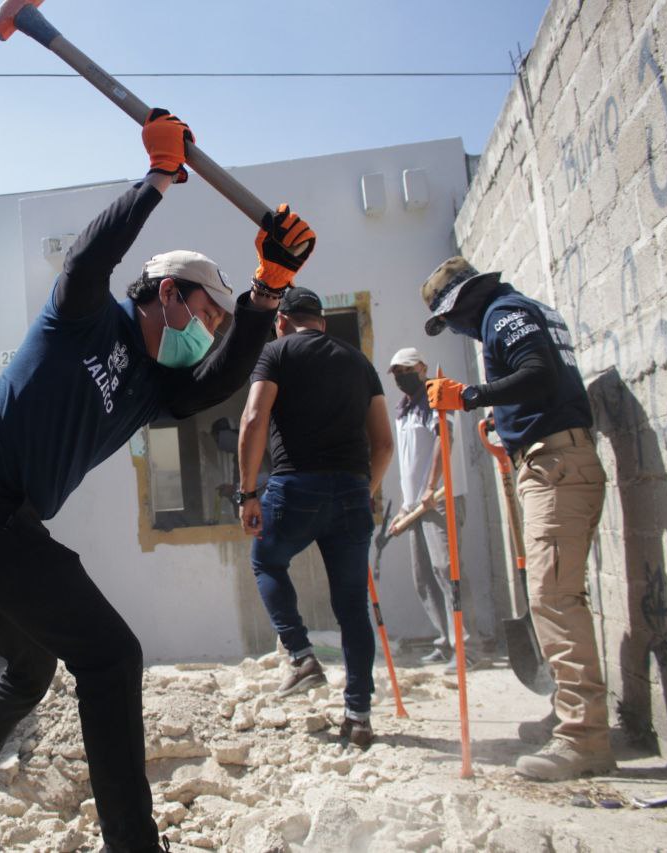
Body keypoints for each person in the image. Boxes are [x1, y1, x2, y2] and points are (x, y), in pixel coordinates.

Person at [0, 110, 315, 853]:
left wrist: (266, 293)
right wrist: (156, 180)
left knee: (30, 669)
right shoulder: (84, 319)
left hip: (1, 522)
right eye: (207, 312)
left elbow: (214, 384)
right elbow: (86, 261)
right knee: (112, 656)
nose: (208, 332)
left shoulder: (155, 386)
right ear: (168, 292)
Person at [421, 256, 613, 781]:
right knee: (558, 594)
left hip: (555, 464)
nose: (455, 329)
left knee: (552, 598)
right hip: (553, 458)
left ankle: (585, 737)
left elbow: (537, 373)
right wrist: (505, 423)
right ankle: (569, 715)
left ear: (464, 300)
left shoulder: (503, 314)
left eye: (450, 318)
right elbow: (542, 384)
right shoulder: (521, 310)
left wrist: (470, 396)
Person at [236, 286, 393, 749]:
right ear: (321, 323)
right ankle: (359, 717)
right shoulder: (360, 363)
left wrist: (248, 493)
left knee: (267, 561)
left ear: (281, 322)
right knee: (352, 607)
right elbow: (384, 444)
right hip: (352, 491)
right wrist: (363, 492)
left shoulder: (277, 353)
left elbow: (253, 419)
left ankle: (302, 655)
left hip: (296, 488)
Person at [385, 347, 493, 671]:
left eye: (407, 370)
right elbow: (410, 463)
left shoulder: (436, 398)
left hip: (441, 499)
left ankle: (469, 649)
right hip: (416, 506)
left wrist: (431, 487)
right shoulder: (404, 409)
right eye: (397, 372)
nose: (402, 377)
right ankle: (446, 642)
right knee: (424, 578)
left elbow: (443, 440)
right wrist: (405, 506)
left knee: (448, 571)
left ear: (422, 367)